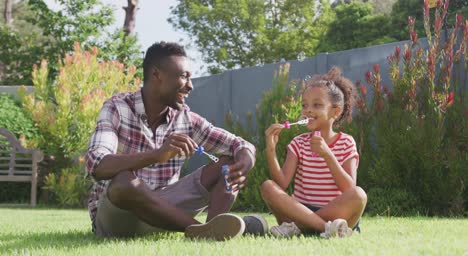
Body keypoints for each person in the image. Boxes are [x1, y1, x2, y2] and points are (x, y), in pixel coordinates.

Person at [85, 41, 267, 241]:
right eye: (184, 76)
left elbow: (239, 145)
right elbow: (97, 164)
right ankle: (206, 230)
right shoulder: (117, 108)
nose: (190, 86)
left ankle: (215, 230)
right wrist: (156, 155)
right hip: (118, 219)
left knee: (229, 163)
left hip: (166, 215)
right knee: (123, 181)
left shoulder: (185, 118)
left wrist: (244, 162)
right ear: (157, 75)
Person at [261, 67, 367, 238]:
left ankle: (299, 227)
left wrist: (327, 154)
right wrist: (271, 150)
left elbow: (348, 188)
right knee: (268, 186)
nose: (307, 110)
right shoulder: (299, 143)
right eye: (304, 105)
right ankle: (327, 228)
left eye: (317, 105)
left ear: (336, 111)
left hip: (334, 211)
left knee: (359, 195)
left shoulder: (347, 142)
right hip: (299, 209)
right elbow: (281, 184)